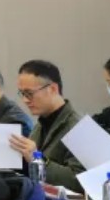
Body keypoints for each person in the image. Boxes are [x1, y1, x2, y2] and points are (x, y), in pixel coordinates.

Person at [9, 60, 83, 188]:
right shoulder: (41, 123)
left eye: (29, 93)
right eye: (22, 93)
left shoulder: (78, 128)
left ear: (53, 89)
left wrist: (39, 160)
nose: (25, 100)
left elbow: (79, 181)